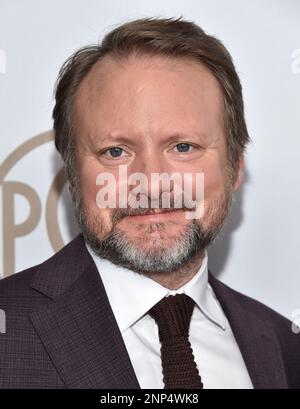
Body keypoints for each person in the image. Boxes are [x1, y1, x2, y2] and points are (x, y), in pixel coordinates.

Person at [0, 16, 299, 389]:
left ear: (235, 165)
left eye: (183, 147)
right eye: (115, 151)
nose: (151, 182)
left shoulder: (286, 348)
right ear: (74, 178)